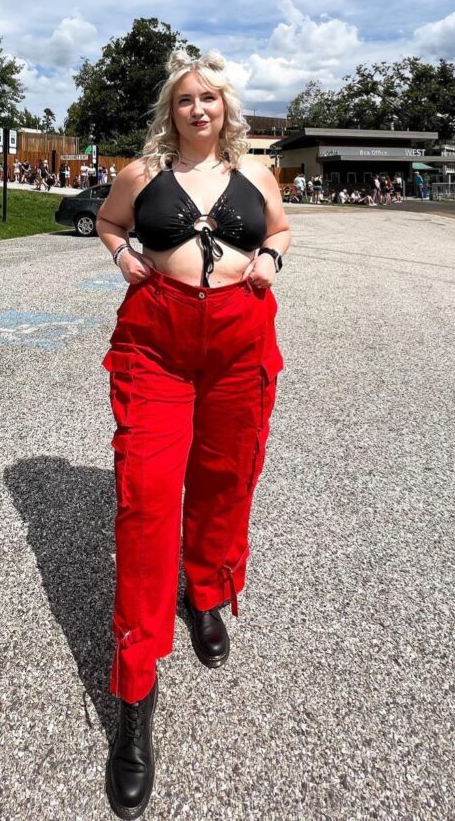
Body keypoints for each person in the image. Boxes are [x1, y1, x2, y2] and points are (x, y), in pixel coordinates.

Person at [96, 50, 289, 819]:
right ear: (170, 111)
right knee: (145, 504)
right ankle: (134, 697)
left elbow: (278, 227)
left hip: (240, 342)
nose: (198, 109)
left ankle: (206, 588)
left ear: (225, 108)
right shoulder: (141, 176)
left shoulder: (258, 176)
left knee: (225, 477)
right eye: (185, 100)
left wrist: (270, 254)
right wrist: (120, 254)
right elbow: (110, 223)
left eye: (209, 98)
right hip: (157, 345)